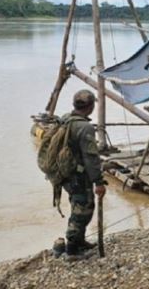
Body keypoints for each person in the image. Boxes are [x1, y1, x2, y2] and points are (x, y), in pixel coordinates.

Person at [61, 89, 106, 256]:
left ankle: (79, 241)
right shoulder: (85, 127)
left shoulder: (65, 120)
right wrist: (99, 182)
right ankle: (72, 249)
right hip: (78, 176)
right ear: (91, 106)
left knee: (77, 204)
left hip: (66, 173)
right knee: (83, 210)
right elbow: (91, 158)